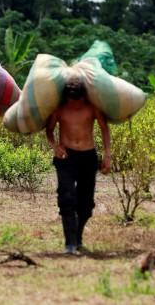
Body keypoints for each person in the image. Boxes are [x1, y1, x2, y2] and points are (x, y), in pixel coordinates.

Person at [45, 77, 111, 255]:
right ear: (67, 97)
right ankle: (70, 243)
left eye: (77, 101)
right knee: (66, 198)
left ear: (83, 97)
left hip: (88, 158)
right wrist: (55, 146)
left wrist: (107, 154)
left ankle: (78, 238)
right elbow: (49, 130)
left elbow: (105, 128)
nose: (74, 104)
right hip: (66, 158)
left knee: (86, 205)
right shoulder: (59, 109)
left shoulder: (92, 108)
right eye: (71, 101)